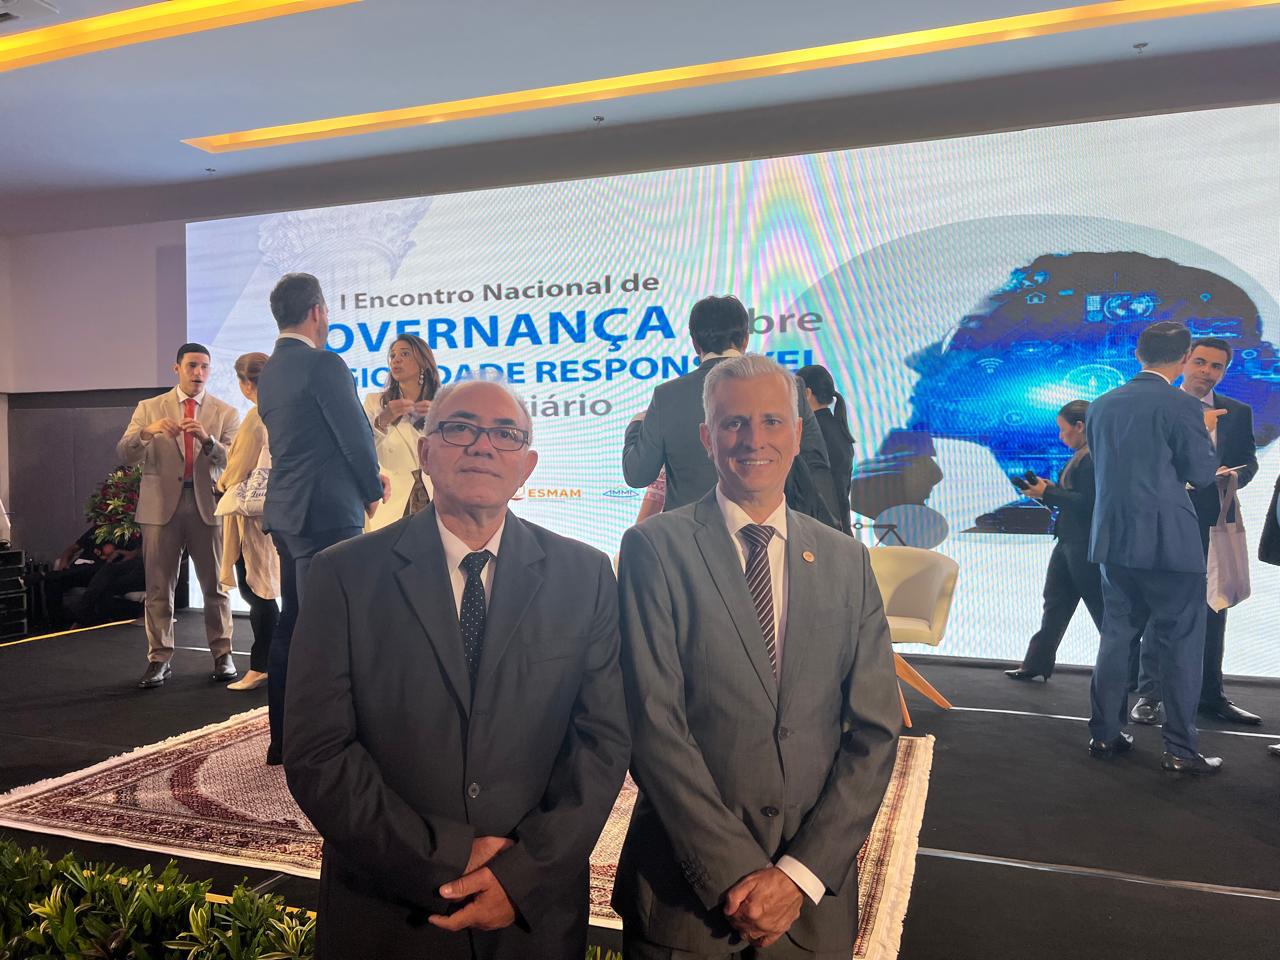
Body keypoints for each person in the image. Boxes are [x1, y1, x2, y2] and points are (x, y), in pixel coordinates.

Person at [283, 379, 630, 959]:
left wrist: (521, 873)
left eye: (505, 434)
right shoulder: (343, 575)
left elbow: (602, 743)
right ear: (425, 452)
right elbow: (318, 750)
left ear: (528, 464)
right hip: (389, 909)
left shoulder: (586, 576)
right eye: (459, 428)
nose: (481, 445)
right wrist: (445, 857)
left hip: (531, 915)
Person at [614, 354, 901, 959]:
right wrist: (736, 875)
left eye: (773, 421)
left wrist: (797, 875)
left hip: (811, 912)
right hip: (686, 901)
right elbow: (654, 726)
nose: (754, 439)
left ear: (799, 434)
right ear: (705, 438)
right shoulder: (653, 550)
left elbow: (874, 732)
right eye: (733, 423)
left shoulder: (847, 561)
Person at [258, 272, 388, 764]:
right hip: (328, 514)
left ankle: (283, 739)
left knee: (294, 625)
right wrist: (371, 488)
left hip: (289, 512)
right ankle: (324, 742)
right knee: (331, 632)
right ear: (316, 312)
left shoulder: (270, 371)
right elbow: (354, 435)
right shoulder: (323, 364)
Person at [1086, 321, 1222, 775]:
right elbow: (1201, 475)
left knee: (1115, 638)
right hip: (1170, 544)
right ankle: (1181, 750)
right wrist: (1203, 432)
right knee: (1181, 644)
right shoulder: (1183, 406)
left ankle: (1105, 735)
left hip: (1113, 540)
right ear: (1184, 357)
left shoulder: (1101, 405)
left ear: (1139, 353)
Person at [1129, 337, 1262, 726]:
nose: (1207, 371)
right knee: (1161, 612)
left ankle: (1209, 694)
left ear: (1224, 371)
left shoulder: (1236, 411)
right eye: (1200, 362)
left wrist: (1234, 476)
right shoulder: (1160, 406)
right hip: (1166, 523)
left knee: (1214, 609)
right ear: (1185, 362)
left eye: (1216, 366)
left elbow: (1248, 461)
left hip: (1215, 524)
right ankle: (1151, 695)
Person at [623, 295, 839, 520]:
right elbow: (816, 466)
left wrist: (636, 425)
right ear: (745, 339)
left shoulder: (667, 396)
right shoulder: (789, 387)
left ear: (695, 343)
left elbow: (637, 475)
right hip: (771, 537)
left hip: (689, 542)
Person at [117, 343, 240, 688]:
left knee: (216, 586)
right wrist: (147, 432)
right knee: (158, 587)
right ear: (177, 369)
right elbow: (125, 453)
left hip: (208, 505)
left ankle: (223, 654)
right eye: (192, 366)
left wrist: (209, 441)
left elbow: (233, 461)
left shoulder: (224, 412)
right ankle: (159, 659)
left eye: (204, 367)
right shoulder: (149, 408)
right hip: (160, 508)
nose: (198, 373)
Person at [1005, 400, 1102, 681]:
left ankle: (1131, 673)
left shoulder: (1094, 457)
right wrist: (1048, 491)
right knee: (1055, 604)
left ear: (1080, 426)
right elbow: (1077, 499)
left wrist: (1047, 494)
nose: (1061, 437)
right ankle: (1036, 664)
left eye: (1063, 430)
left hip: (1084, 545)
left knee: (1102, 611)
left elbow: (1090, 502)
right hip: (1069, 541)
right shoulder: (1085, 454)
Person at [216, 352, 279, 693]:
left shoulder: (257, 416)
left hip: (251, 519)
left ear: (245, 383)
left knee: (256, 591)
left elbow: (236, 470)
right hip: (271, 514)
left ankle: (261, 665)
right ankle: (268, 663)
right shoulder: (278, 411)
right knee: (262, 589)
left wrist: (221, 482)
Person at [363, 333, 440, 531]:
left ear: (423, 361)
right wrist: (383, 421)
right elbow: (361, 451)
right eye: (393, 355)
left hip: (436, 500)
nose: (396, 360)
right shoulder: (375, 402)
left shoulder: (444, 403)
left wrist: (441, 421)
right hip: (392, 501)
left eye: (404, 354)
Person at [797, 364, 854, 534]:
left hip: (820, 527)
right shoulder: (838, 427)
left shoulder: (811, 434)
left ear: (806, 394)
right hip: (839, 525)